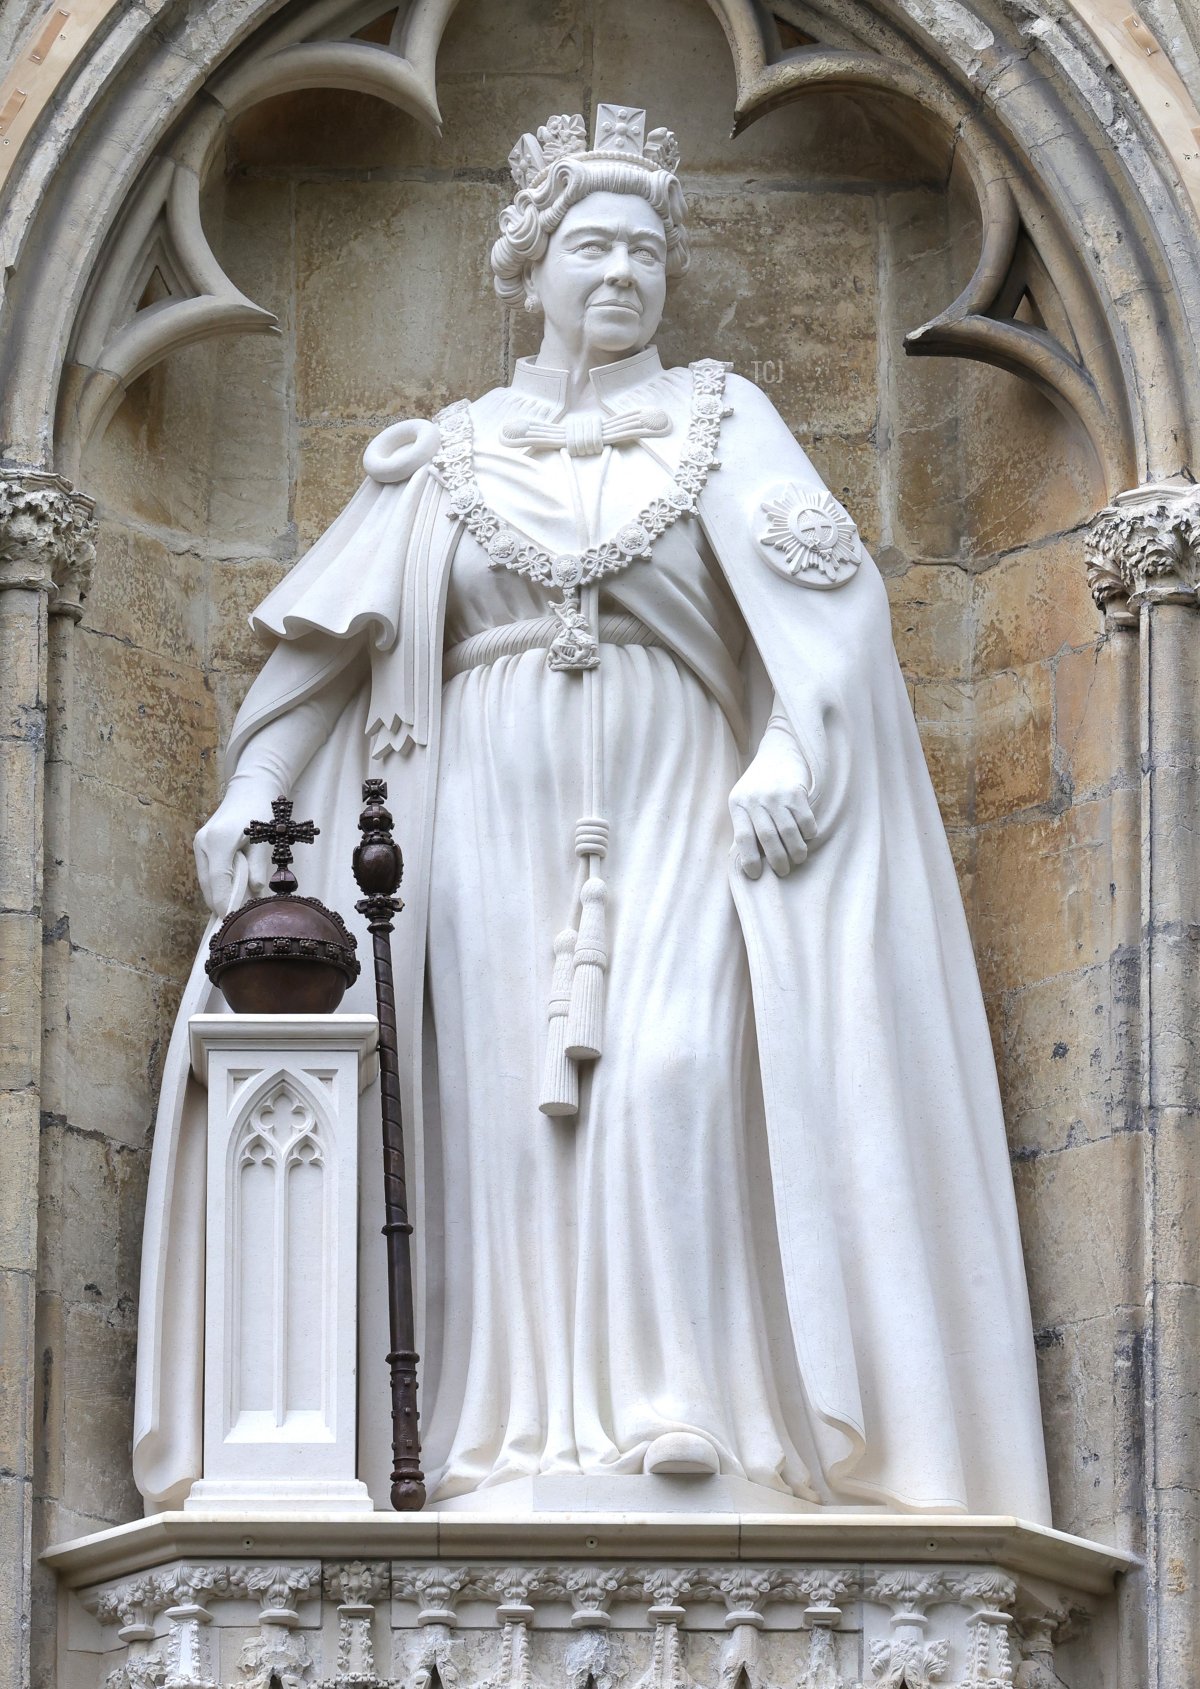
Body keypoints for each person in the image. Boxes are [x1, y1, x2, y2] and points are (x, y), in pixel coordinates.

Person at [134, 104, 1052, 1519]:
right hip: (478, 812)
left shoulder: (722, 421)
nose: (624, 271)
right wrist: (256, 785)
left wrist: (796, 752)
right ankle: (510, 1433)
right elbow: (319, 651)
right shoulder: (441, 455)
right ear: (533, 262)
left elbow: (830, 615)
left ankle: (684, 1397)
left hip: (678, 791)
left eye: (646, 249)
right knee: (508, 1110)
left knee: (675, 1065)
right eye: (594, 244)